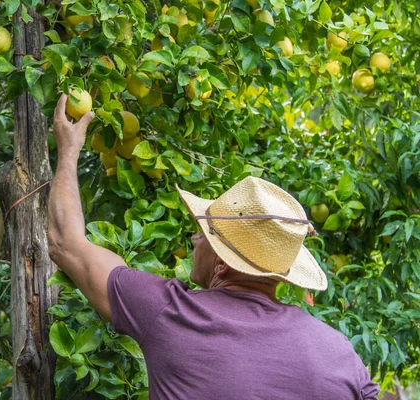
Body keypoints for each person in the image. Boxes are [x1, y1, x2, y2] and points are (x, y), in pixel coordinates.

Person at [47, 93, 379, 400]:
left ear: (222, 263)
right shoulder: (338, 352)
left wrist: (69, 149)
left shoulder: (171, 313)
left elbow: (66, 242)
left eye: (205, 235)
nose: (194, 239)